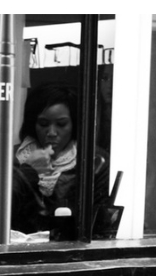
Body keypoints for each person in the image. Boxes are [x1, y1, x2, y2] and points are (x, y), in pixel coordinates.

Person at [10, 84, 110, 236]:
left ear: (74, 124)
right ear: (33, 124)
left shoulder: (94, 161)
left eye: (61, 124)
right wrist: (28, 171)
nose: (51, 132)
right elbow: (2, 213)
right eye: (43, 124)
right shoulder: (12, 159)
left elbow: (97, 224)